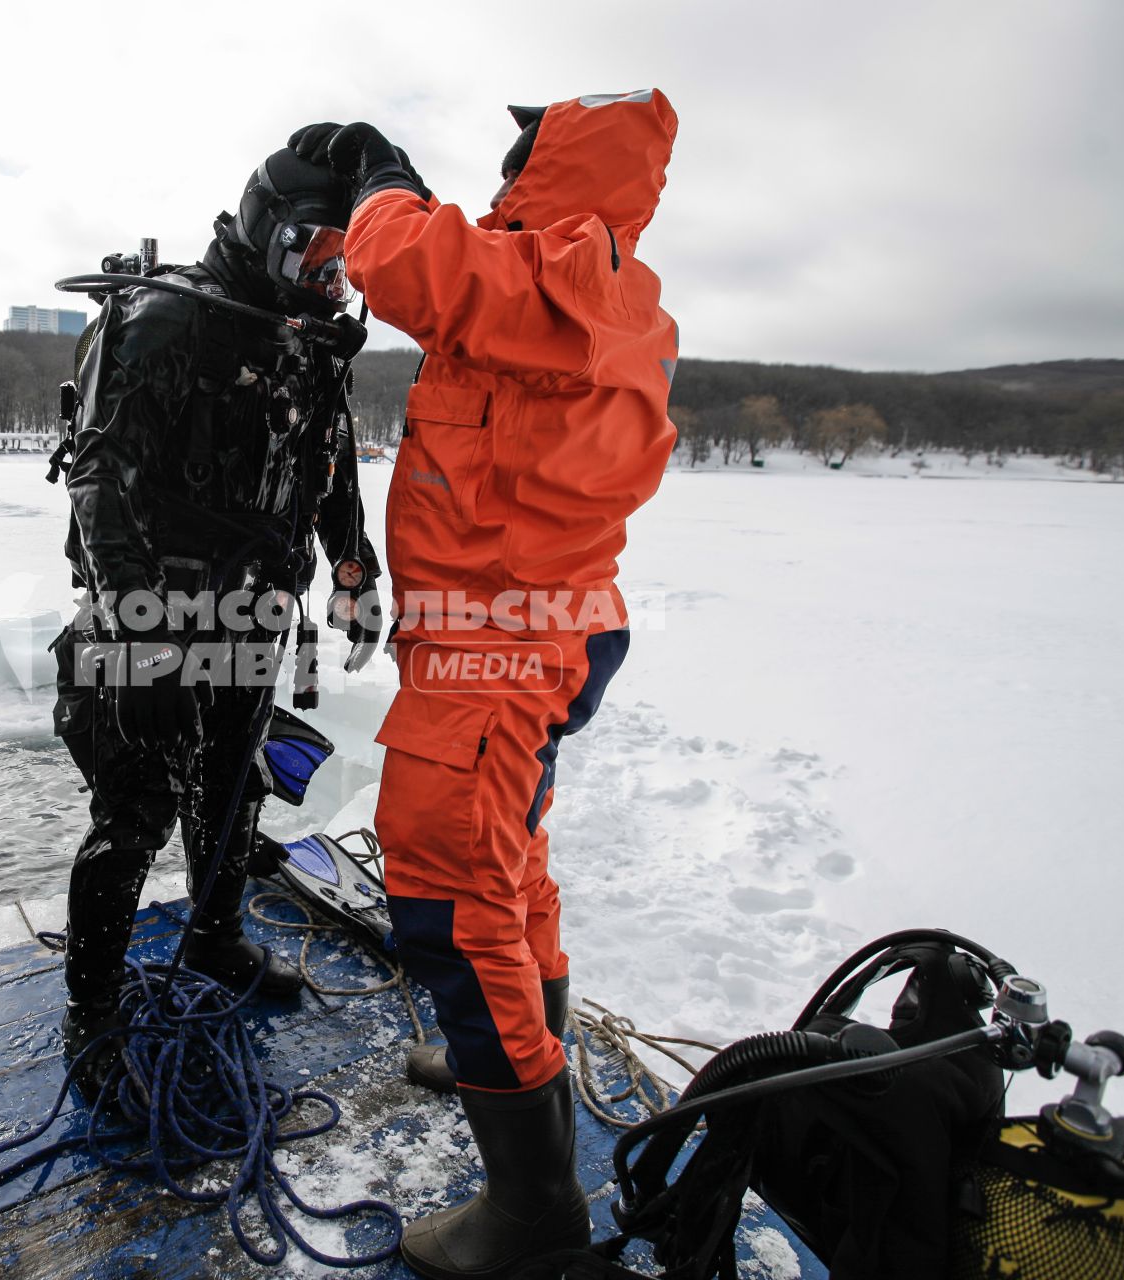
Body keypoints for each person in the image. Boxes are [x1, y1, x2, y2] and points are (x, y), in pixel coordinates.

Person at [292, 92, 681, 1279]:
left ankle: (531, 1206)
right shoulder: (607, 294)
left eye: (525, 155)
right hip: (549, 623)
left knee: (451, 892)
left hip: (501, 645)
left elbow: (413, 260)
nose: (506, 171)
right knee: (510, 859)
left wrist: (372, 180)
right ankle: (525, 1050)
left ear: (558, 168)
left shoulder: (561, 278)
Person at [52, 144, 380, 1074]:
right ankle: (96, 1002)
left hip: (256, 609)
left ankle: (213, 934)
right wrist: (137, 630)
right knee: (137, 803)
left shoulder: (312, 343)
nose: (333, 272)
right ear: (273, 236)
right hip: (153, 610)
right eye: (319, 250)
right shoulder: (167, 320)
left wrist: (354, 568)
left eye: (345, 256)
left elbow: (331, 467)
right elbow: (100, 483)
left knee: (234, 785)